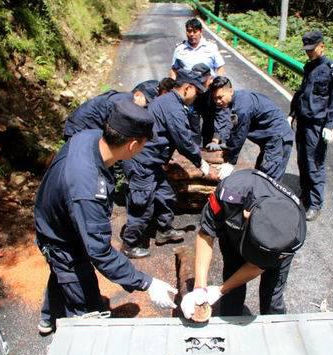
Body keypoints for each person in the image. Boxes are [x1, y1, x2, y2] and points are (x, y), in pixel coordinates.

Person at [34, 100, 178, 335]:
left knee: (61, 272)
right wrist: (145, 282)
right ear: (132, 145)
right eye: (143, 144)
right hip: (62, 238)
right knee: (85, 306)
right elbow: (99, 251)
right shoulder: (88, 188)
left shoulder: (89, 137)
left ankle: (47, 319)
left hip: (55, 218)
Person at [180, 169, 306, 318]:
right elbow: (206, 234)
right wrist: (200, 288)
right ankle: (230, 322)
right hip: (234, 237)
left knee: (272, 296)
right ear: (246, 214)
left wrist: (220, 289)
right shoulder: (230, 194)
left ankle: (274, 329)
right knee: (232, 287)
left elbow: (257, 266)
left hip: (274, 254)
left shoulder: (294, 234)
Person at [121, 69, 211, 259]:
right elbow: (183, 140)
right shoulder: (173, 107)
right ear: (187, 88)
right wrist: (200, 161)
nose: (197, 97)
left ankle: (164, 230)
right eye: (197, 92)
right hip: (141, 163)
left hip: (152, 162)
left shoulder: (169, 101)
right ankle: (129, 244)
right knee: (142, 205)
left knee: (165, 195)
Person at [289, 31, 333, 221]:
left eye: (312, 49)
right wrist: (292, 113)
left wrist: (330, 125)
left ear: (322, 46)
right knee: (302, 160)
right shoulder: (308, 67)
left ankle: (315, 203)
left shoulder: (332, 69)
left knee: (315, 164)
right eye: (307, 50)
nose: (309, 53)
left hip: (318, 125)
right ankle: (305, 193)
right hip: (303, 121)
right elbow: (302, 92)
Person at [210, 77, 294, 181]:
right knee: (260, 173)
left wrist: (230, 163)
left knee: (269, 180)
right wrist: (220, 141)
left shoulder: (242, 108)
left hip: (278, 138)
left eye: (220, 97)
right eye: (214, 98)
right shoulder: (235, 101)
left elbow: (239, 135)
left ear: (231, 91)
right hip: (270, 138)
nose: (218, 101)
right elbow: (232, 127)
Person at [63, 79, 161, 140]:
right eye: (147, 102)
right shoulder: (122, 104)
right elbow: (115, 136)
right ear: (137, 94)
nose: (147, 107)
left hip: (89, 130)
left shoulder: (126, 102)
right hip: (78, 130)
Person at [188, 63, 230, 148]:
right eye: (196, 82)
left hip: (213, 111)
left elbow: (221, 116)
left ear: (210, 78)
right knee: (194, 127)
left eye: (202, 82)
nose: (199, 85)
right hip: (199, 105)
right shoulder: (191, 87)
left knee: (213, 133)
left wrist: (216, 139)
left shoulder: (217, 88)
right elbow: (193, 118)